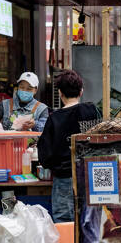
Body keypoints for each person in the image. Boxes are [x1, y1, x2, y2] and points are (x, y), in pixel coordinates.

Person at [36, 69, 99, 222]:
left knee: (65, 223)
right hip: (93, 176)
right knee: (92, 223)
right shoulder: (92, 111)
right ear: (81, 91)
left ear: (60, 93)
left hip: (64, 179)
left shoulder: (55, 119)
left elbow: (44, 158)